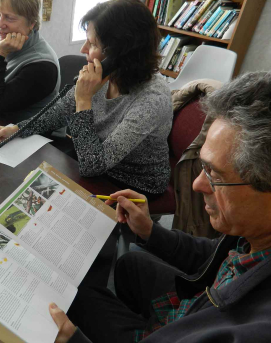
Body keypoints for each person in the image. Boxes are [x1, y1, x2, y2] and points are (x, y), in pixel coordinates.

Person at [47, 71, 271, 343]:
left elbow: (92, 162)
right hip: (196, 305)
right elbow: (217, 253)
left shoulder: (252, 329)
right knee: (132, 261)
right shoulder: (256, 235)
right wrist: (151, 230)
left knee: (77, 295)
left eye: (216, 175)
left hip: (187, 327)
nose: (197, 185)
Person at [0, 0, 173, 200]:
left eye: (91, 44)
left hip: (132, 185)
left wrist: (83, 101)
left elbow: (93, 166)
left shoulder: (151, 98)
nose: (83, 49)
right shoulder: (106, 76)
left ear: (118, 54)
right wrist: (16, 129)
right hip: (91, 163)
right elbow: (58, 113)